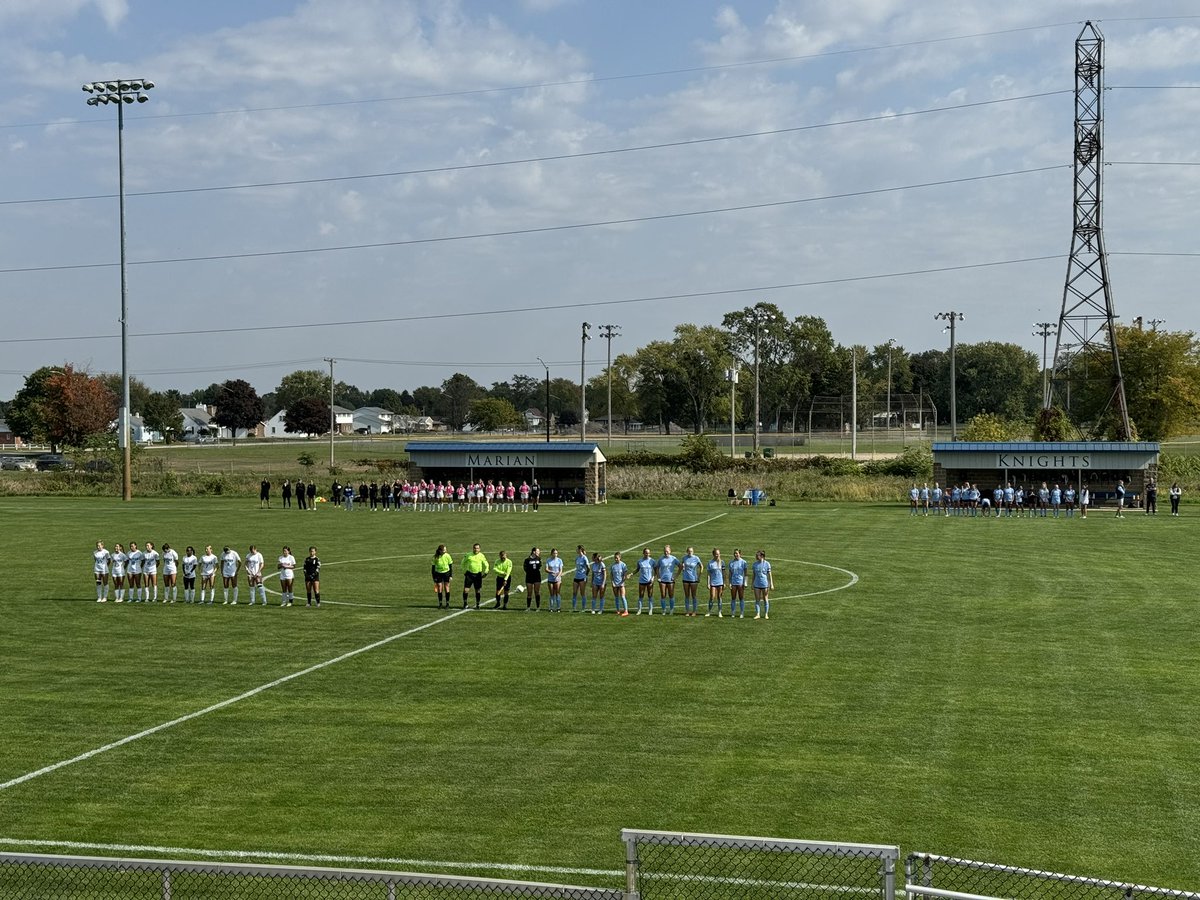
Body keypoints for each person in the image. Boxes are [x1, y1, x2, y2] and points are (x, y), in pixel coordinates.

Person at [461, 542, 490, 609]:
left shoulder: (482, 556)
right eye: (475, 548)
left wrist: (486, 572)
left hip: (478, 575)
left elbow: (486, 564)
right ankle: (465, 603)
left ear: (479, 549)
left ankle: (478, 604)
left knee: (478, 590)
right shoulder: (468, 555)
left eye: (477, 548)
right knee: (466, 590)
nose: (476, 549)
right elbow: (462, 563)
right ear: (473, 548)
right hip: (469, 574)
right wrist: (464, 571)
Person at [657, 545, 680, 614]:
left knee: (671, 595)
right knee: (663, 595)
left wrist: (675, 576)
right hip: (662, 580)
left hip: (671, 580)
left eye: (667, 551)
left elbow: (680, 566)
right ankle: (664, 610)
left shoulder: (674, 559)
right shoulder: (661, 559)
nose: (666, 552)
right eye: (665, 551)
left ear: (670, 551)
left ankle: (671, 610)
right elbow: (657, 568)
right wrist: (658, 577)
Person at [752, 549, 774, 620]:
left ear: (762, 556)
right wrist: (752, 583)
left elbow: (770, 575)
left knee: (765, 599)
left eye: (757, 555)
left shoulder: (767, 564)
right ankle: (758, 614)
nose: (756, 556)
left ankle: (766, 614)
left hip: (764, 584)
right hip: (757, 584)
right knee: (757, 599)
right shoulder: (755, 564)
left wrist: (771, 584)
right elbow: (754, 575)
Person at [680, 547, 702, 616]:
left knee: (693, 595)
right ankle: (687, 611)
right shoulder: (684, 558)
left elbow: (701, 566)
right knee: (687, 596)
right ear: (687, 551)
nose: (690, 552)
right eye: (689, 551)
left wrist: (699, 576)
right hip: (685, 579)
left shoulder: (696, 558)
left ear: (693, 551)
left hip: (693, 579)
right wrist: (683, 568)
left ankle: (694, 611)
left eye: (691, 551)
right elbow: (682, 565)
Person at [432, 544, 454, 609]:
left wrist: (450, 575)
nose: (445, 551)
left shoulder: (447, 555)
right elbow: (433, 568)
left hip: (446, 573)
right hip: (438, 573)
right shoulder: (435, 557)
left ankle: (447, 603)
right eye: (444, 550)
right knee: (439, 588)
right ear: (440, 550)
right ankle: (440, 603)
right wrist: (434, 577)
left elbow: (450, 566)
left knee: (446, 587)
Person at [728, 548, 748, 618]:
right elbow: (730, 574)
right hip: (733, 582)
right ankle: (733, 612)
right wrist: (730, 583)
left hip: (740, 582)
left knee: (741, 597)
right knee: (733, 598)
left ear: (740, 554)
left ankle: (742, 612)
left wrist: (745, 582)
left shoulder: (743, 562)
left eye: (737, 553)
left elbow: (746, 573)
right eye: (735, 553)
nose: (736, 554)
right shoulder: (731, 563)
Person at [635, 547, 656, 615]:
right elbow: (637, 569)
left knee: (650, 595)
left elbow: (656, 571)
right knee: (641, 595)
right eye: (646, 553)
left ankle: (650, 610)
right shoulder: (640, 561)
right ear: (643, 553)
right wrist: (631, 574)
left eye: (648, 553)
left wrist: (653, 578)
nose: (647, 554)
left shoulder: (652, 561)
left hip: (649, 581)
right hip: (642, 581)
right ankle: (639, 610)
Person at [522, 546, 543, 611]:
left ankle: (538, 607)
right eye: (538, 551)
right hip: (529, 577)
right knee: (529, 592)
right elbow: (525, 568)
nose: (539, 552)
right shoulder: (527, 560)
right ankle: (528, 607)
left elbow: (540, 566)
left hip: (537, 577)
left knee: (537, 592)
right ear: (534, 552)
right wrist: (530, 572)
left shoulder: (539, 559)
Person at [706, 548, 725, 617]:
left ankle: (720, 612)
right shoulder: (710, 562)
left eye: (718, 554)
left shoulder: (722, 562)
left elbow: (724, 573)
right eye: (716, 554)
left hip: (720, 582)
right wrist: (708, 583)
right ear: (713, 554)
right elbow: (708, 574)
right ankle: (709, 611)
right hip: (713, 582)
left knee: (719, 597)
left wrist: (724, 583)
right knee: (712, 597)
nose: (718, 555)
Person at [610, 551, 629, 617]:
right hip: (615, 584)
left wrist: (622, 582)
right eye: (615, 558)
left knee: (623, 597)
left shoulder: (623, 565)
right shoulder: (612, 566)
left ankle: (626, 611)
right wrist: (612, 582)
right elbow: (611, 575)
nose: (616, 559)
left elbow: (625, 574)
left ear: (620, 558)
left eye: (617, 558)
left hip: (621, 583)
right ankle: (618, 610)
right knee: (616, 597)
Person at [571, 545, 589, 612]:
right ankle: (574, 608)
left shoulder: (584, 558)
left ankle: (583, 608)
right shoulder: (577, 558)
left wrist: (585, 575)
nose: (576, 550)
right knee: (574, 593)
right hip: (576, 577)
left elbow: (588, 568)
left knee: (582, 593)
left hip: (582, 577)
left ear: (580, 550)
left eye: (577, 549)